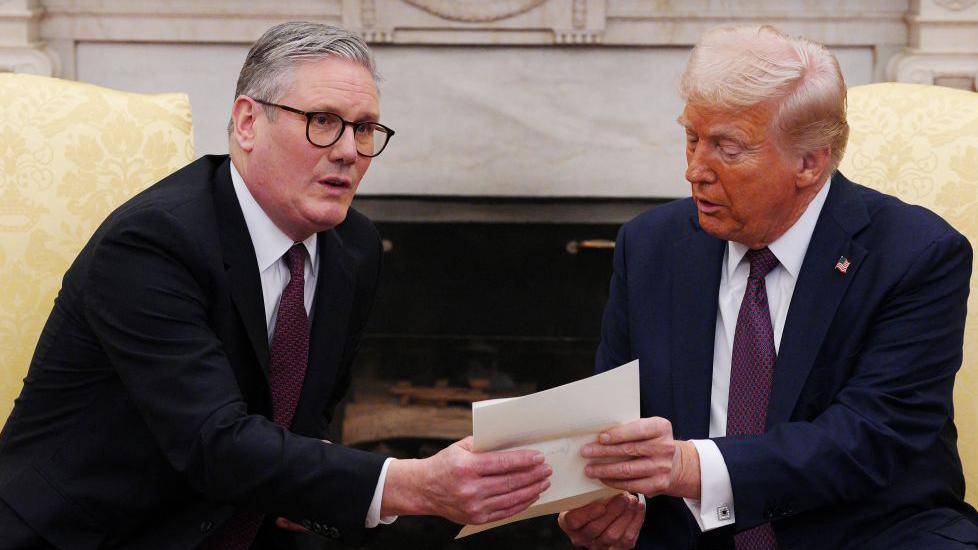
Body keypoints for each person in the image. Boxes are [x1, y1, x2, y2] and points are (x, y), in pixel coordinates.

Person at [0, 22, 551, 549]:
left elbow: (305, 426)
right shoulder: (154, 243)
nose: (348, 151)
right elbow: (213, 442)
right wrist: (413, 484)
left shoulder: (352, 248)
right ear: (247, 123)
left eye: (363, 128)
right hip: (99, 534)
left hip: (243, 525)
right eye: (322, 120)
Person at [559, 25, 978, 550]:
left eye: (727, 148)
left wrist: (691, 466)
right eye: (691, 138)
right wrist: (612, 499)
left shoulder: (915, 255)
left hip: (866, 533)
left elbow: (869, 438)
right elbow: (617, 419)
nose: (694, 170)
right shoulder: (650, 246)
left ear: (810, 161)